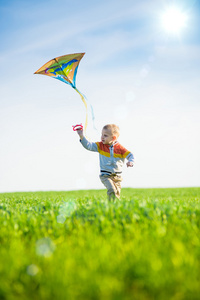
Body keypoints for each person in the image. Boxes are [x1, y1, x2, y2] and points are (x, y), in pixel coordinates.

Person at [76, 124, 134, 201]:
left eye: (105, 135)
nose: (102, 137)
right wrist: (81, 136)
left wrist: (130, 161)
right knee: (112, 190)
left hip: (117, 177)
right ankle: (110, 207)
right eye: (102, 134)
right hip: (106, 175)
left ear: (113, 138)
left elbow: (130, 155)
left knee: (116, 194)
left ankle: (113, 208)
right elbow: (89, 146)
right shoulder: (100, 146)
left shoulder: (120, 148)